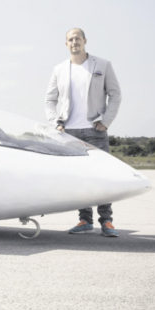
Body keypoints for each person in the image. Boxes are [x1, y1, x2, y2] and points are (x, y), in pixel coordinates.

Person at [45, 27, 122, 237]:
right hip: (69, 132)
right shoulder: (59, 69)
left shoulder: (103, 65)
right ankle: (85, 220)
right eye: (70, 39)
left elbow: (115, 94)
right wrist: (55, 122)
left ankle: (107, 222)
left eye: (77, 38)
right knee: (79, 178)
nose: (74, 42)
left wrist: (106, 121)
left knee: (103, 177)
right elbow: (49, 100)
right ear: (66, 44)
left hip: (95, 130)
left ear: (85, 41)